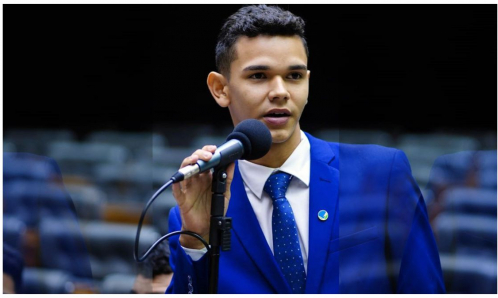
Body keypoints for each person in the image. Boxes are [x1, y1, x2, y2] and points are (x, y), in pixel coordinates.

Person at [166, 5, 444, 294]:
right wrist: (196, 241)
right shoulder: (197, 212)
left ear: (308, 83)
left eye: (294, 76)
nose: (280, 91)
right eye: (259, 76)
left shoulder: (382, 175)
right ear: (220, 89)